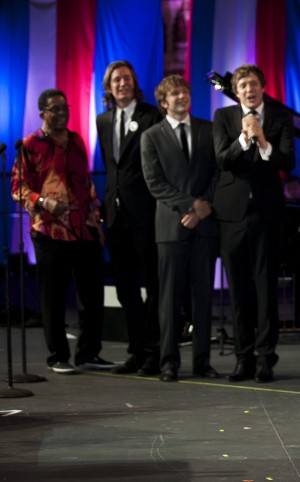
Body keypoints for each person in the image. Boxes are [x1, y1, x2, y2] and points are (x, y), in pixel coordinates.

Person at [13, 89, 112, 373]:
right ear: (42, 112)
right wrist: (43, 202)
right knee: (53, 297)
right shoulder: (30, 145)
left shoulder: (76, 140)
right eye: (55, 109)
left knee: (92, 296)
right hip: (50, 231)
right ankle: (58, 356)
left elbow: (86, 182)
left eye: (64, 108)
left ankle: (89, 353)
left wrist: (96, 215)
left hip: (84, 229)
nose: (61, 113)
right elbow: (18, 188)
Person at [212, 64, 295, 383]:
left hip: (266, 213)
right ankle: (242, 356)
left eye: (254, 84)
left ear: (262, 87)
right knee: (238, 290)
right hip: (232, 214)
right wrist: (244, 140)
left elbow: (286, 161)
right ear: (237, 90)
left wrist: (262, 141)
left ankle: (265, 357)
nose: (249, 89)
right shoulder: (223, 118)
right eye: (243, 84)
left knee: (264, 288)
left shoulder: (279, 117)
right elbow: (222, 159)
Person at [141, 75, 219, 382]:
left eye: (185, 91)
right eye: (175, 93)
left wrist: (203, 207)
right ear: (163, 102)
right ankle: (168, 362)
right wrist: (190, 205)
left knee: (203, 296)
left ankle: (202, 362)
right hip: (171, 227)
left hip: (204, 226)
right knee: (170, 298)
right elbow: (154, 183)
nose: (182, 96)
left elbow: (217, 173)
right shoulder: (151, 136)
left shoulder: (208, 130)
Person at [96, 60, 162, 376]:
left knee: (154, 284)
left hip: (146, 213)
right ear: (108, 87)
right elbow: (113, 168)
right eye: (116, 80)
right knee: (125, 288)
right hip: (116, 216)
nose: (121, 83)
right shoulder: (103, 120)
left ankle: (154, 351)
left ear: (134, 83)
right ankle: (136, 350)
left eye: (126, 78)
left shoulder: (151, 115)